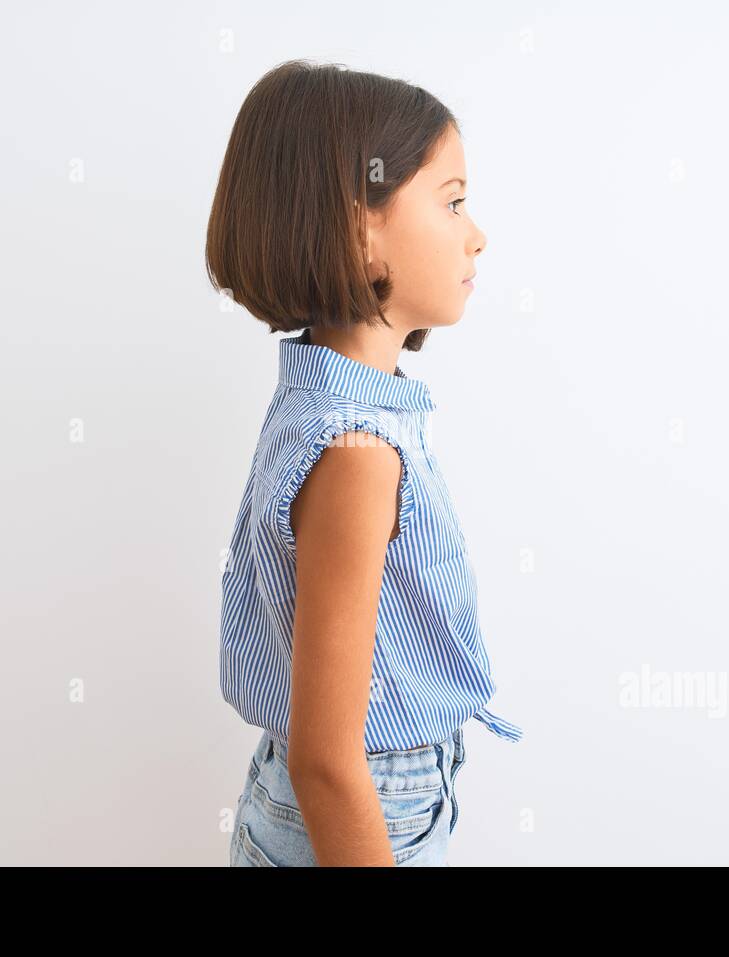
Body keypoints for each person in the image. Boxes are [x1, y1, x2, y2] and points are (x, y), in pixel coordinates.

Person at [207, 58, 522, 867]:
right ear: (361, 228)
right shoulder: (356, 451)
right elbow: (327, 759)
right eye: (452, 202)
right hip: (359, 812)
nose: (476, 232)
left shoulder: (328, 404)